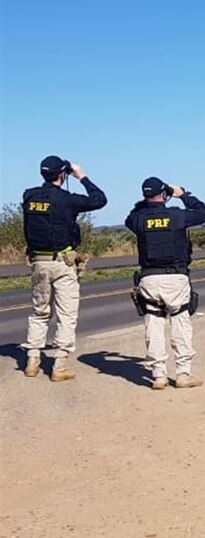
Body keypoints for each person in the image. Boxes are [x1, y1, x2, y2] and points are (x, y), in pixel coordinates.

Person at [21, 156, 108, 381]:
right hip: (62, 263)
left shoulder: (29, 196)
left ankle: (32, 360)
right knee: (66, 315)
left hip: (38, 262)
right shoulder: (67, 200)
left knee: (39, 312)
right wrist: (81, 176)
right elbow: (99, 199)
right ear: (62, 174)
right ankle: (59, 365)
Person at [124, 177, 205, 390]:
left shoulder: (138, 219)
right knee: (180, 322)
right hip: (175, 276)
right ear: (164, 194)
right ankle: (183, 373)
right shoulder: (177, 215)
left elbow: (131, 216)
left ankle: (158, 375)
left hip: (149, 278)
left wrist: (147, 201)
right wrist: (182, 195)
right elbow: (202, 213)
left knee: (153, 324)